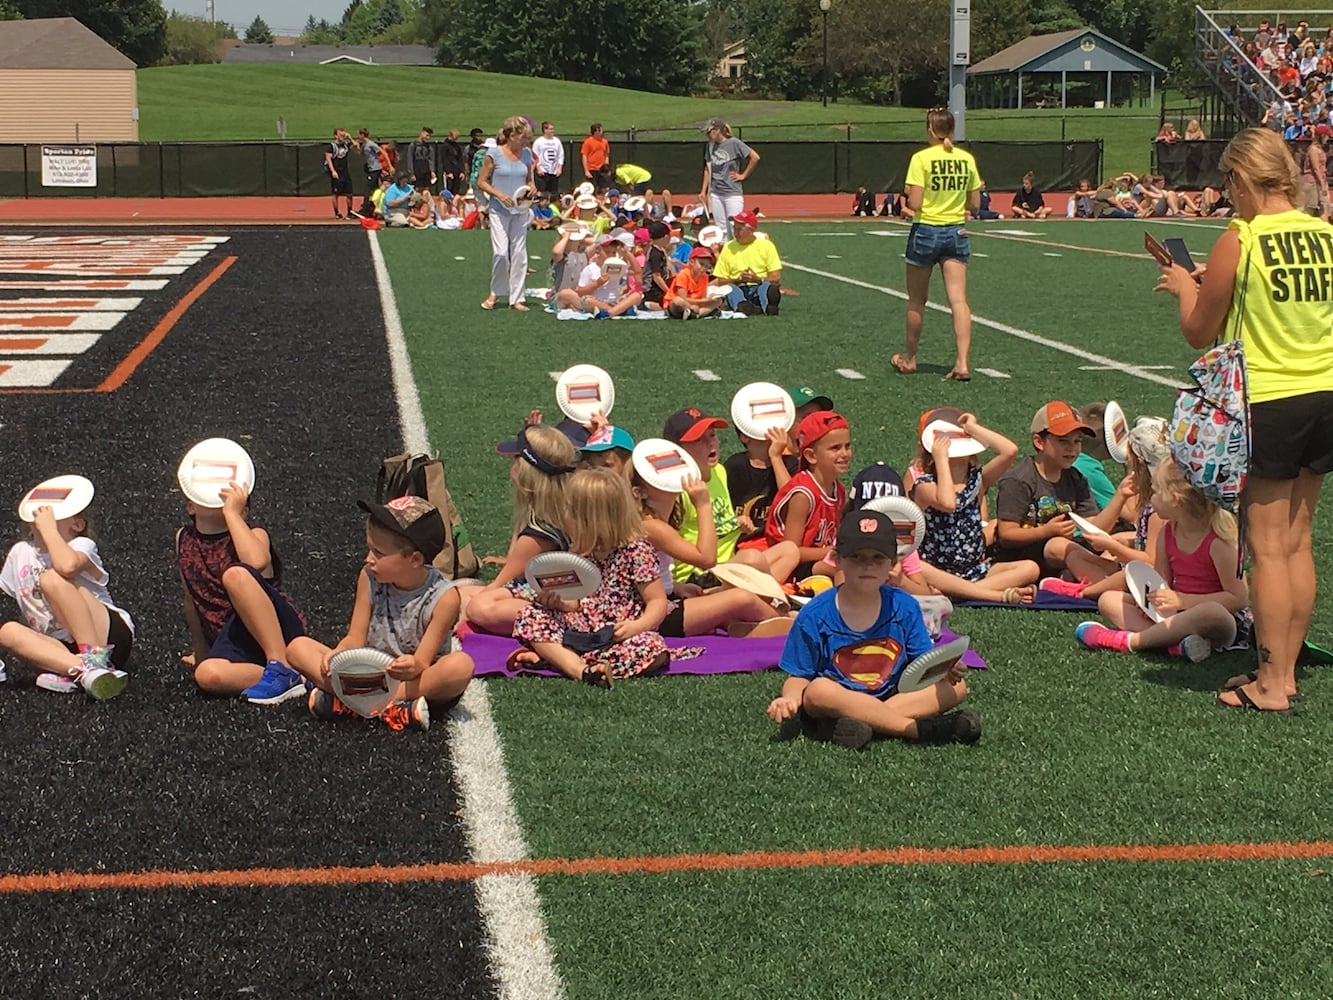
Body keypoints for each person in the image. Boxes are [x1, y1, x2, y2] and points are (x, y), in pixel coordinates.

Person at [1155, 127, 1333, 712]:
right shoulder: (1323, 233)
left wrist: (1185, 284)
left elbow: (1197, 330)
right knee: (1300, 539)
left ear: (1241, 179)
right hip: (1324, 392)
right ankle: (1289, 665)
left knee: (1268, 548)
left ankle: (1271, 681)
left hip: (1270, 400)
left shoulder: (1243, 237)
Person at [765, 510, 981, 749]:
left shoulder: (904, 606)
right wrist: (790, 698)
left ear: (893, 564)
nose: (867, 565)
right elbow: (800, 676)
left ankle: (860, 724)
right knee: (818, 691)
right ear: (837, 559)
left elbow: (921, 663)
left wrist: (943, 669)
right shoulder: (815, 615)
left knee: (957, 687)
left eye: (877, 557)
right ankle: (917, 730)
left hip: (892, 696)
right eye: (856, 556)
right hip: (838, 699)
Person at [288, 496, 475, 732]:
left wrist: (412, 664)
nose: (368, 558)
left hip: (412, 683)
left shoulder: (444, 598)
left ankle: (353, 703)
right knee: (297, 647)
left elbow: (422, 662)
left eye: (378, 553)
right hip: (368, 673)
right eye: (369, 549)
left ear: (415, 559)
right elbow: (355, 638)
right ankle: (392, 709)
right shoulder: (368, 576)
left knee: (460, 666)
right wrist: (339, 652)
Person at [1076, 461, 1249, 664]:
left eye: (1157, 493)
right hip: (1172, 612)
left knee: (1212, 612)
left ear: (1175, 500)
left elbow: (1238, 599)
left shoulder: (1219, 542)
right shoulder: (1167, 532)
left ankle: (1132, 641)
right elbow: (1159, 580)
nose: (1152, 499)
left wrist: (1183, 600)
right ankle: (1175, 644)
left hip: (1217, 621)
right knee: (1108, 600)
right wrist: (1148, 601)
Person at [513, 469, 669, 687]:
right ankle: (582, 670)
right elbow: (576, 600)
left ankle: (561, 660)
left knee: (653, 648)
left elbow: (657, 600)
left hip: (617, 633)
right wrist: (560, 603)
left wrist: (639, 625)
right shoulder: (579, 550)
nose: (563, 513)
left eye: (569, 508)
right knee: (530, 616)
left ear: (588, 519)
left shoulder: (636, 551)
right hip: (581, 628)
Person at [176, 479, 308, 705]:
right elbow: (192, 599)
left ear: (243, 511)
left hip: (276, 630)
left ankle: (281, 664)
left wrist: (232, 516)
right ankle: (298, 676)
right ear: (191, 506)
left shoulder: (256, 534)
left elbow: (255, 561)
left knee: (235, 575)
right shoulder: (183, 538)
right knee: (207, 675)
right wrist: (201, 653)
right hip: (233, 640)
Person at [0, 485, 132, 699]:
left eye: (53, 514)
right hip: (60, 645)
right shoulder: (20, 552)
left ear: (77, 524)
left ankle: (94, 661)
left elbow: (67, 566)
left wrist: (50, 531)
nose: (44, 515)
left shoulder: (82, 545)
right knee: (8, 631)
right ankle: (81, 672)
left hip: (105, 637)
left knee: (51, 579)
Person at [632, 465, 792, 637]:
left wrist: (677, 587)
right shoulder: (651, 525)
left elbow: (646, 575)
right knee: (741, 598)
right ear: (640, 493)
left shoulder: (657, 520)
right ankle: (790, 622)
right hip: (655, 615)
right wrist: (703, 504)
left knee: (741, 583)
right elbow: (707, 559)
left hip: (664, 601)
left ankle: (744, 623)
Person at [891, 107, 982, 382]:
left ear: (930, 130)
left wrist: (910, 200)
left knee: (917, 300)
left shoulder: (921, 158)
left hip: (926, 230)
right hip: (956, 231)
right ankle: (963, 362)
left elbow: (915, 203)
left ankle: (910, 359)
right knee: (959, 301)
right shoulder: (966, 159)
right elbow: (975, 203)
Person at [994, 401, 1130, 581]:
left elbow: (1094, 529)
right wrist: (1046, 531)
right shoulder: (1019, 480)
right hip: (1025, 555)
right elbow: (1007, 535)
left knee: (1124, 537)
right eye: (1063, 441)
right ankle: (1110, 580)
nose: (1072, 448)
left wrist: (1121, 496)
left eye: (1077, 441)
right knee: (1059, 545)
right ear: (1039, 441)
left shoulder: (1076, 478)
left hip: (1068, 548)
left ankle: (1081, 575)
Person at [909, 407, 1039, 592]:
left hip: (972, 569)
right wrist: (941, 460)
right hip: (937, 570)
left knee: (1030, 568)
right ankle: (971, 591)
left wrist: (973, 428)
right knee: (920, 568)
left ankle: (962, 592)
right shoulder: (925, 486)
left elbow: (1009, 451)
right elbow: (948, 503)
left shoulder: (977, 480)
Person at [465, 425, 578, 636]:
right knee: (460, 594)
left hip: (564, 600)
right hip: (564, 590)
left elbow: (497, 585)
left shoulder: (537, 536)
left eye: (515, 458)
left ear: (525, 472)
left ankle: (553, 629)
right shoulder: (566, 507)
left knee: (476, 606)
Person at [765, 410, 852, 577]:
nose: (844, 453)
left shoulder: (839, 489)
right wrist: (835, 551)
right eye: (835, 448)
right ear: (811, 456)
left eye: (847, 446)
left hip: (820, 560)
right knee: (850, 571)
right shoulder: (804, 494)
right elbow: (790, 551)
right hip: (791, 568)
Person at [477, 116, 536, 312]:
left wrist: (531, 188)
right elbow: (482, 182)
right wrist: (500, 195)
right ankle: (496, 291)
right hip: (499, 209)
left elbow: (529, 180)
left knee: (520, 253)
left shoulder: (526, 154)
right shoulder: (494, 154)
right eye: (523, 138)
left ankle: (517, 298)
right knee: (501, 253)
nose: (526, 142)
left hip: (520, 209)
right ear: (511, 136)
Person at [711, 209, 782, 316]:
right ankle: (743, 306)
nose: (735, 232)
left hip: (759, 285)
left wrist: (757, 279)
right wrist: (737, 279)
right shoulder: (728, 247)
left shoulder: (767, 246)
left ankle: (768, 305)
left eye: (739, 229)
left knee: (767, 286)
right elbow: (721, 280)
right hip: (738, 287)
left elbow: (776, 277)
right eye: (734, 228)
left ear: (751, 230)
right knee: (729, 288)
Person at [699, 117, 759, 240]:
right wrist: (703, 191)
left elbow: (755, 157)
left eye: (709, 131)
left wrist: (743, 175)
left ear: (718, 130)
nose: (708, 135)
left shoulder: (734, 143)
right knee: (721, 229)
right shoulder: (709, 146)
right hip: (716, 193)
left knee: (735, 226)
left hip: (732, 193)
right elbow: (707, 168)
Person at [663, 246, 720, 318]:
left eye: (707, 266)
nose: (703, 268)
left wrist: (707, 301)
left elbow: (703, 297)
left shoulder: (705, 277)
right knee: (678, 301)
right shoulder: (683, 274)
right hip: (679, 304)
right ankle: (696, 313)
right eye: (701, 264)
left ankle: (695, 314)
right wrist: (704, 302)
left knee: (718, 301)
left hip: (695, 304)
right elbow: (683, 298)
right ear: (691, 262)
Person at [324, 127, 354, 220]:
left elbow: (356, 146)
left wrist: (350, 138)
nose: (342, 137)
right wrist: (333, 171)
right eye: (340, 135)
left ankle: (350, 212)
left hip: (345, 171)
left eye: (343, 135)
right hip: (337, 171)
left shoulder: (345, 145)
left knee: (349, 193)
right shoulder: (331, 147)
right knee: (335, 193)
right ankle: (337, 212)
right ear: (335, 136)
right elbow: (328, 159)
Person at [532, 120, 564, 201]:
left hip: (553, 171)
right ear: (545, 130)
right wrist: (538, 168)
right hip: (543, 171)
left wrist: (559, 168)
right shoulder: (539, 141)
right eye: (550, 129)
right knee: (543, 193)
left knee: (553, 193)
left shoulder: (557, 141)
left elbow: (560, 155)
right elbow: (534, 156)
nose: (552, 131)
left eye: (553, 129)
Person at [581, 123, 612, 192]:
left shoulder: (604, 141)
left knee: (605, 188)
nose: (602, 132)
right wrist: (586, 171)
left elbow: (606, 154)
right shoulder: (588, 142)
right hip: (592, 169)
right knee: (593, 189)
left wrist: (606, 166)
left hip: (602, 170)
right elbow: (584, 156)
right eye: (600, 130)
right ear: (596, 131)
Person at [442, 128, 468, 196]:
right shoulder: (445, 146)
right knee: (449, 191)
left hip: (457, 170)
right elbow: (444, 160)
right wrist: (448, 172)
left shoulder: (457, 146)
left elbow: (460, 159)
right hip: (450, 171)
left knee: (456, 191)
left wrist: (462, 171)